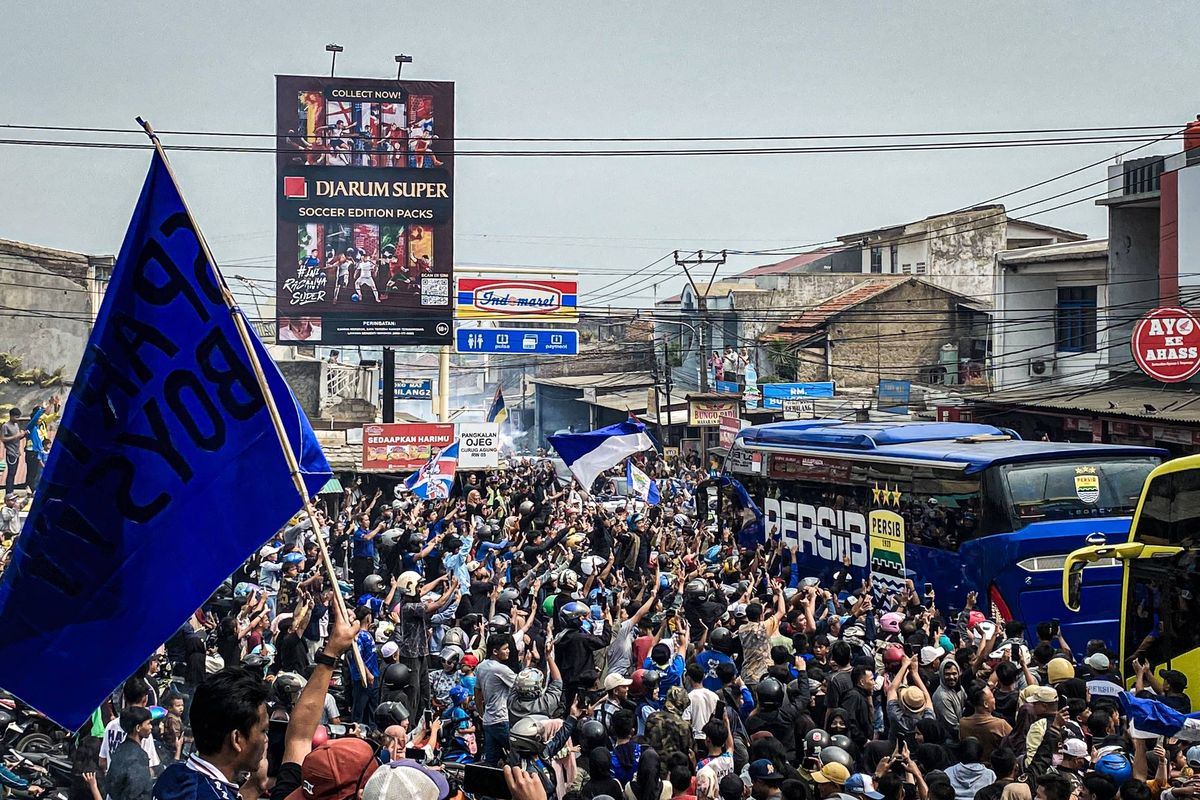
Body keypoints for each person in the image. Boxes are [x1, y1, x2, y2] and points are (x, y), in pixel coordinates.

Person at [151, 668, 269, 800]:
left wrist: (255, 786)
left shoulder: (172, 775)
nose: (266, 740)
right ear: (237, 739)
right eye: (263, 731)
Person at [476, 633, 517, 765]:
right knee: (518, 753)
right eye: (505, 649)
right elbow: (522, 684)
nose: (508, 651)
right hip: (501, 719)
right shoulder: (501, 669)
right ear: (495, 651)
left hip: (488, 721)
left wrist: (481, 712)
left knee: (491, 762)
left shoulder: (481, 666)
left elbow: (477, 691)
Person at [107, 707, 155, 800]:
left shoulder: (120, 748)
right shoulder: (139, 756)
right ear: (138, 727)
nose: (151, 727)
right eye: (148, 723)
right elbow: (135, 791)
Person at [1, 409, 24, 495]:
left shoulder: (16, 425)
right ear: (11, 416)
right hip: (10, 453)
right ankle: (9, 492)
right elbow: (3, 439)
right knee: (11, 473)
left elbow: (17, 438)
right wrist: (16, 436)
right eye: (16, 417)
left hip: (16, 452)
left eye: (18, 417)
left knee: (13, 473)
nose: (17, 419)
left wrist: (22, 435)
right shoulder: (5, 426)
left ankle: (11, 491)